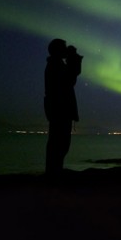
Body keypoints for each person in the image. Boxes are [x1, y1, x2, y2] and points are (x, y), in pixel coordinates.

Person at [44, 39, 82, 179]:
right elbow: (70, 80)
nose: (66, 50)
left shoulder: (55, 64)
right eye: (64, 48)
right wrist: (74, 58)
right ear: (58, 50)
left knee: (57, 142)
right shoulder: (56, 65)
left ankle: (53, 171)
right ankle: (54, 173)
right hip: (60, 108)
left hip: (56, 108)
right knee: (60, 143)